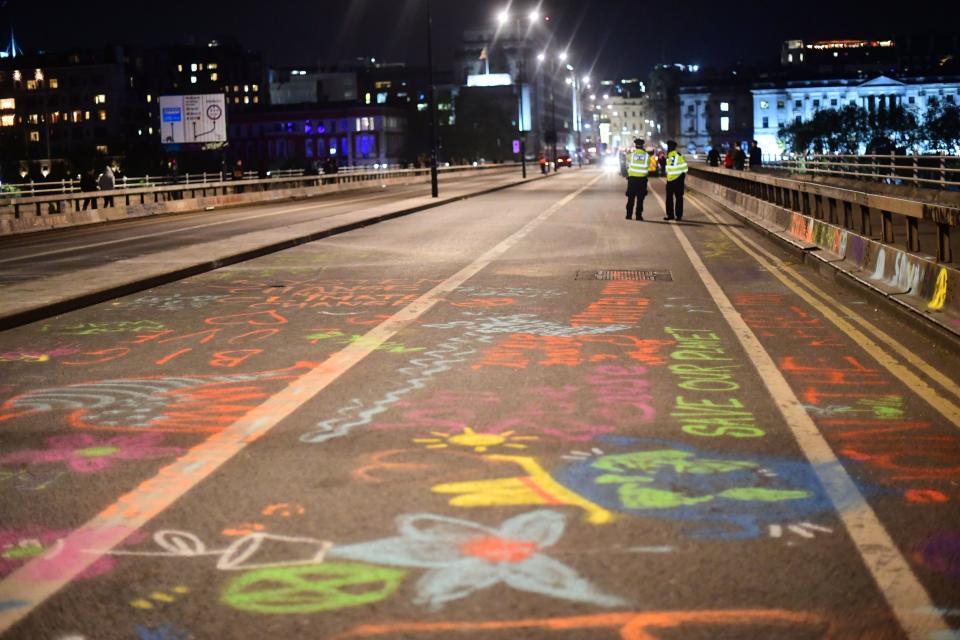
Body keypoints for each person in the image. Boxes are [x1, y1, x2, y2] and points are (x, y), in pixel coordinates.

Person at [624, 138, 649, 221]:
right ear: (642, 146)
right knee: (640, 198)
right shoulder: (646, 155)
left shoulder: (632, 155)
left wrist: (629, 150)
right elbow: (648, 164)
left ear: (635, 146)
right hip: (642, 180)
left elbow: (626, 156)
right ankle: (638, 215)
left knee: (631, 197)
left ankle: (628, 215)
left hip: (632, 180)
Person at [663, 140, 689, 221]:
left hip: (670, 180)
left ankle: (670, 215)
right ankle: (678, 216)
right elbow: (685, 169)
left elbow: (668, 169)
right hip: (678, 180)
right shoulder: (679, 155)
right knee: (679, 198)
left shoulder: (669, 156)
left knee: (669, 199)